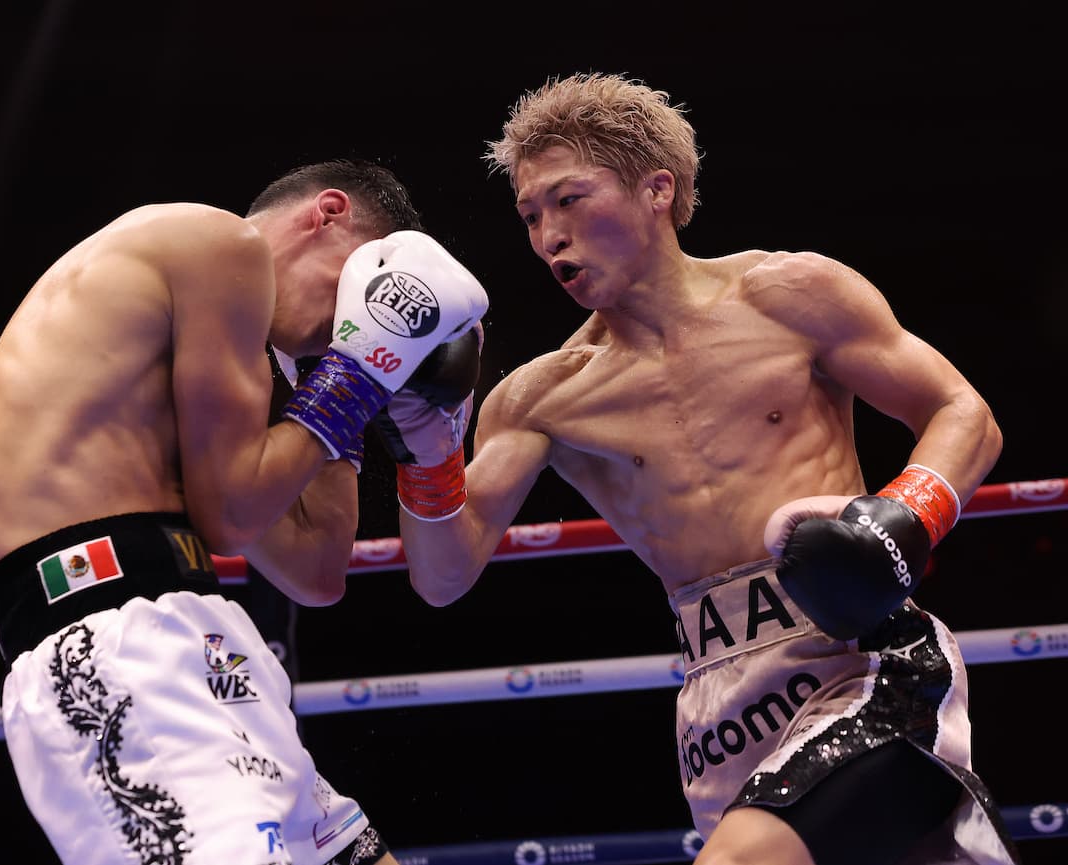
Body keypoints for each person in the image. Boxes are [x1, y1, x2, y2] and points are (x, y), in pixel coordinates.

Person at [390, 73, 1022, 865]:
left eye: (568, 198)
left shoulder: (790, 295)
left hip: (860, 660)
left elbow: (964, 413)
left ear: (658, 189)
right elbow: (442, 572)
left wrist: (903, 517)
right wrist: (425, 440)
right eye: (529, 215)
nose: (548, 232)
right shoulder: (543, 397)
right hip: (721, 712)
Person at [0, 158, 489, 865]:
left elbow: (318, 570)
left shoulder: (179, 377)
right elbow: (234, 521)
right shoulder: (217, 244)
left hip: (202, 640)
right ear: (327, 214)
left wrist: (344, 388)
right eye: (353, 298)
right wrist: (359, 371)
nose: (348, 325)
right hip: (116, 651)